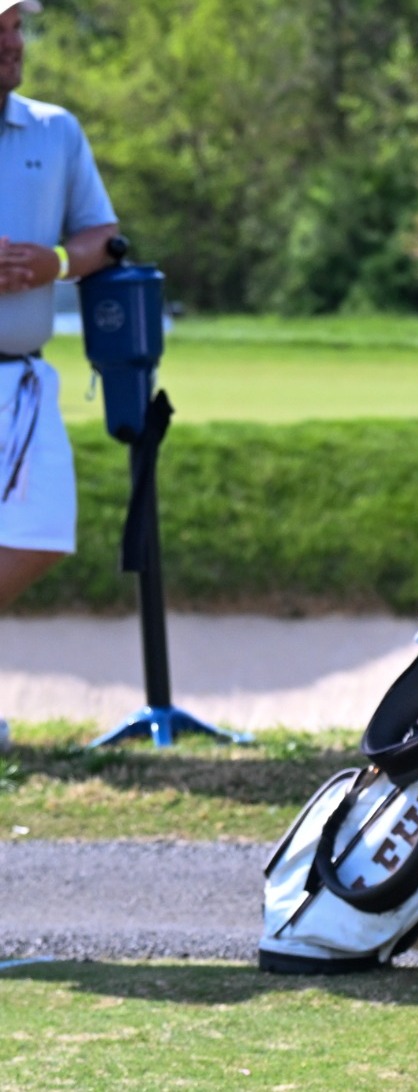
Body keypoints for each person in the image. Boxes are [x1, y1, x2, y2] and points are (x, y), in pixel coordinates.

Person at [0, 0, 121, 749]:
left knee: (44, 535)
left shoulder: (54, 129)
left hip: (25, 380)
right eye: (1, 29)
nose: (13, 43)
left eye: (16, 29)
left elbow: (103, 237)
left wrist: (55, 263)